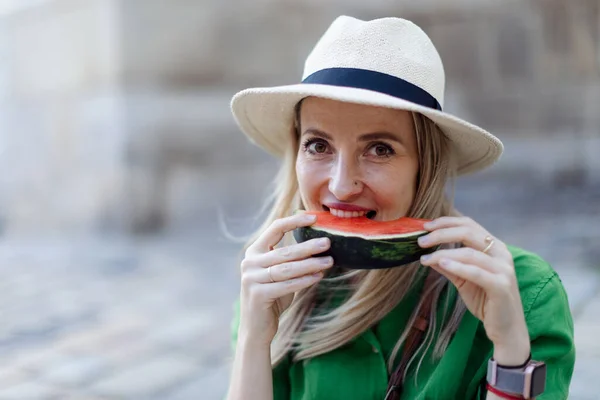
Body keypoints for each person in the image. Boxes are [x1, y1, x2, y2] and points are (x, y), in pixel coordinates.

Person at [225, 15, 575, 400]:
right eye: (318, 145)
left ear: (426, 165)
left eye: (380, 149)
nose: (342, 184)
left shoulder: (525, 294)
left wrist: (510, 348)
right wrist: (253, 340)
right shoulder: (271, 287)